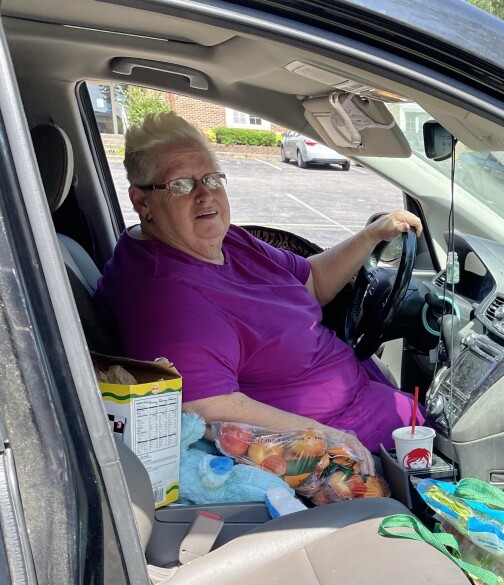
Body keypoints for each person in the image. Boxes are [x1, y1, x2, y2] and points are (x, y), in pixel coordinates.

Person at [97, 112, 426, 471]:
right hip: (338, 450)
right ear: (142, 201)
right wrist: (328, 437)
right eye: (181, 185)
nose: (205, 195)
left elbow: (312, 281)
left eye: (211, 178)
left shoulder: (227, 240)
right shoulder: (167, 297)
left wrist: (371, 235)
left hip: (364, 402)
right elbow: (206, 409)